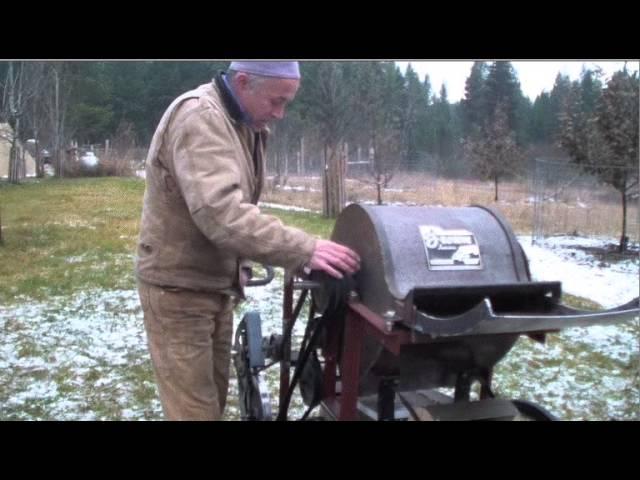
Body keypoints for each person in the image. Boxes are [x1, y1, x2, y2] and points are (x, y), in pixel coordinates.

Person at [135, 61, 360, 420]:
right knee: (194, 412)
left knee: (212, 403)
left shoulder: (244, 124)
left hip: (212, 287)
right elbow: (221, 213)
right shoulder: (200, 119)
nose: (280, 113)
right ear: (243, 82)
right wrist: (304, 249)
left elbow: (234, 206)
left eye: (287, 103)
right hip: (178, 290)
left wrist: (240, 263)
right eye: (276, 101)